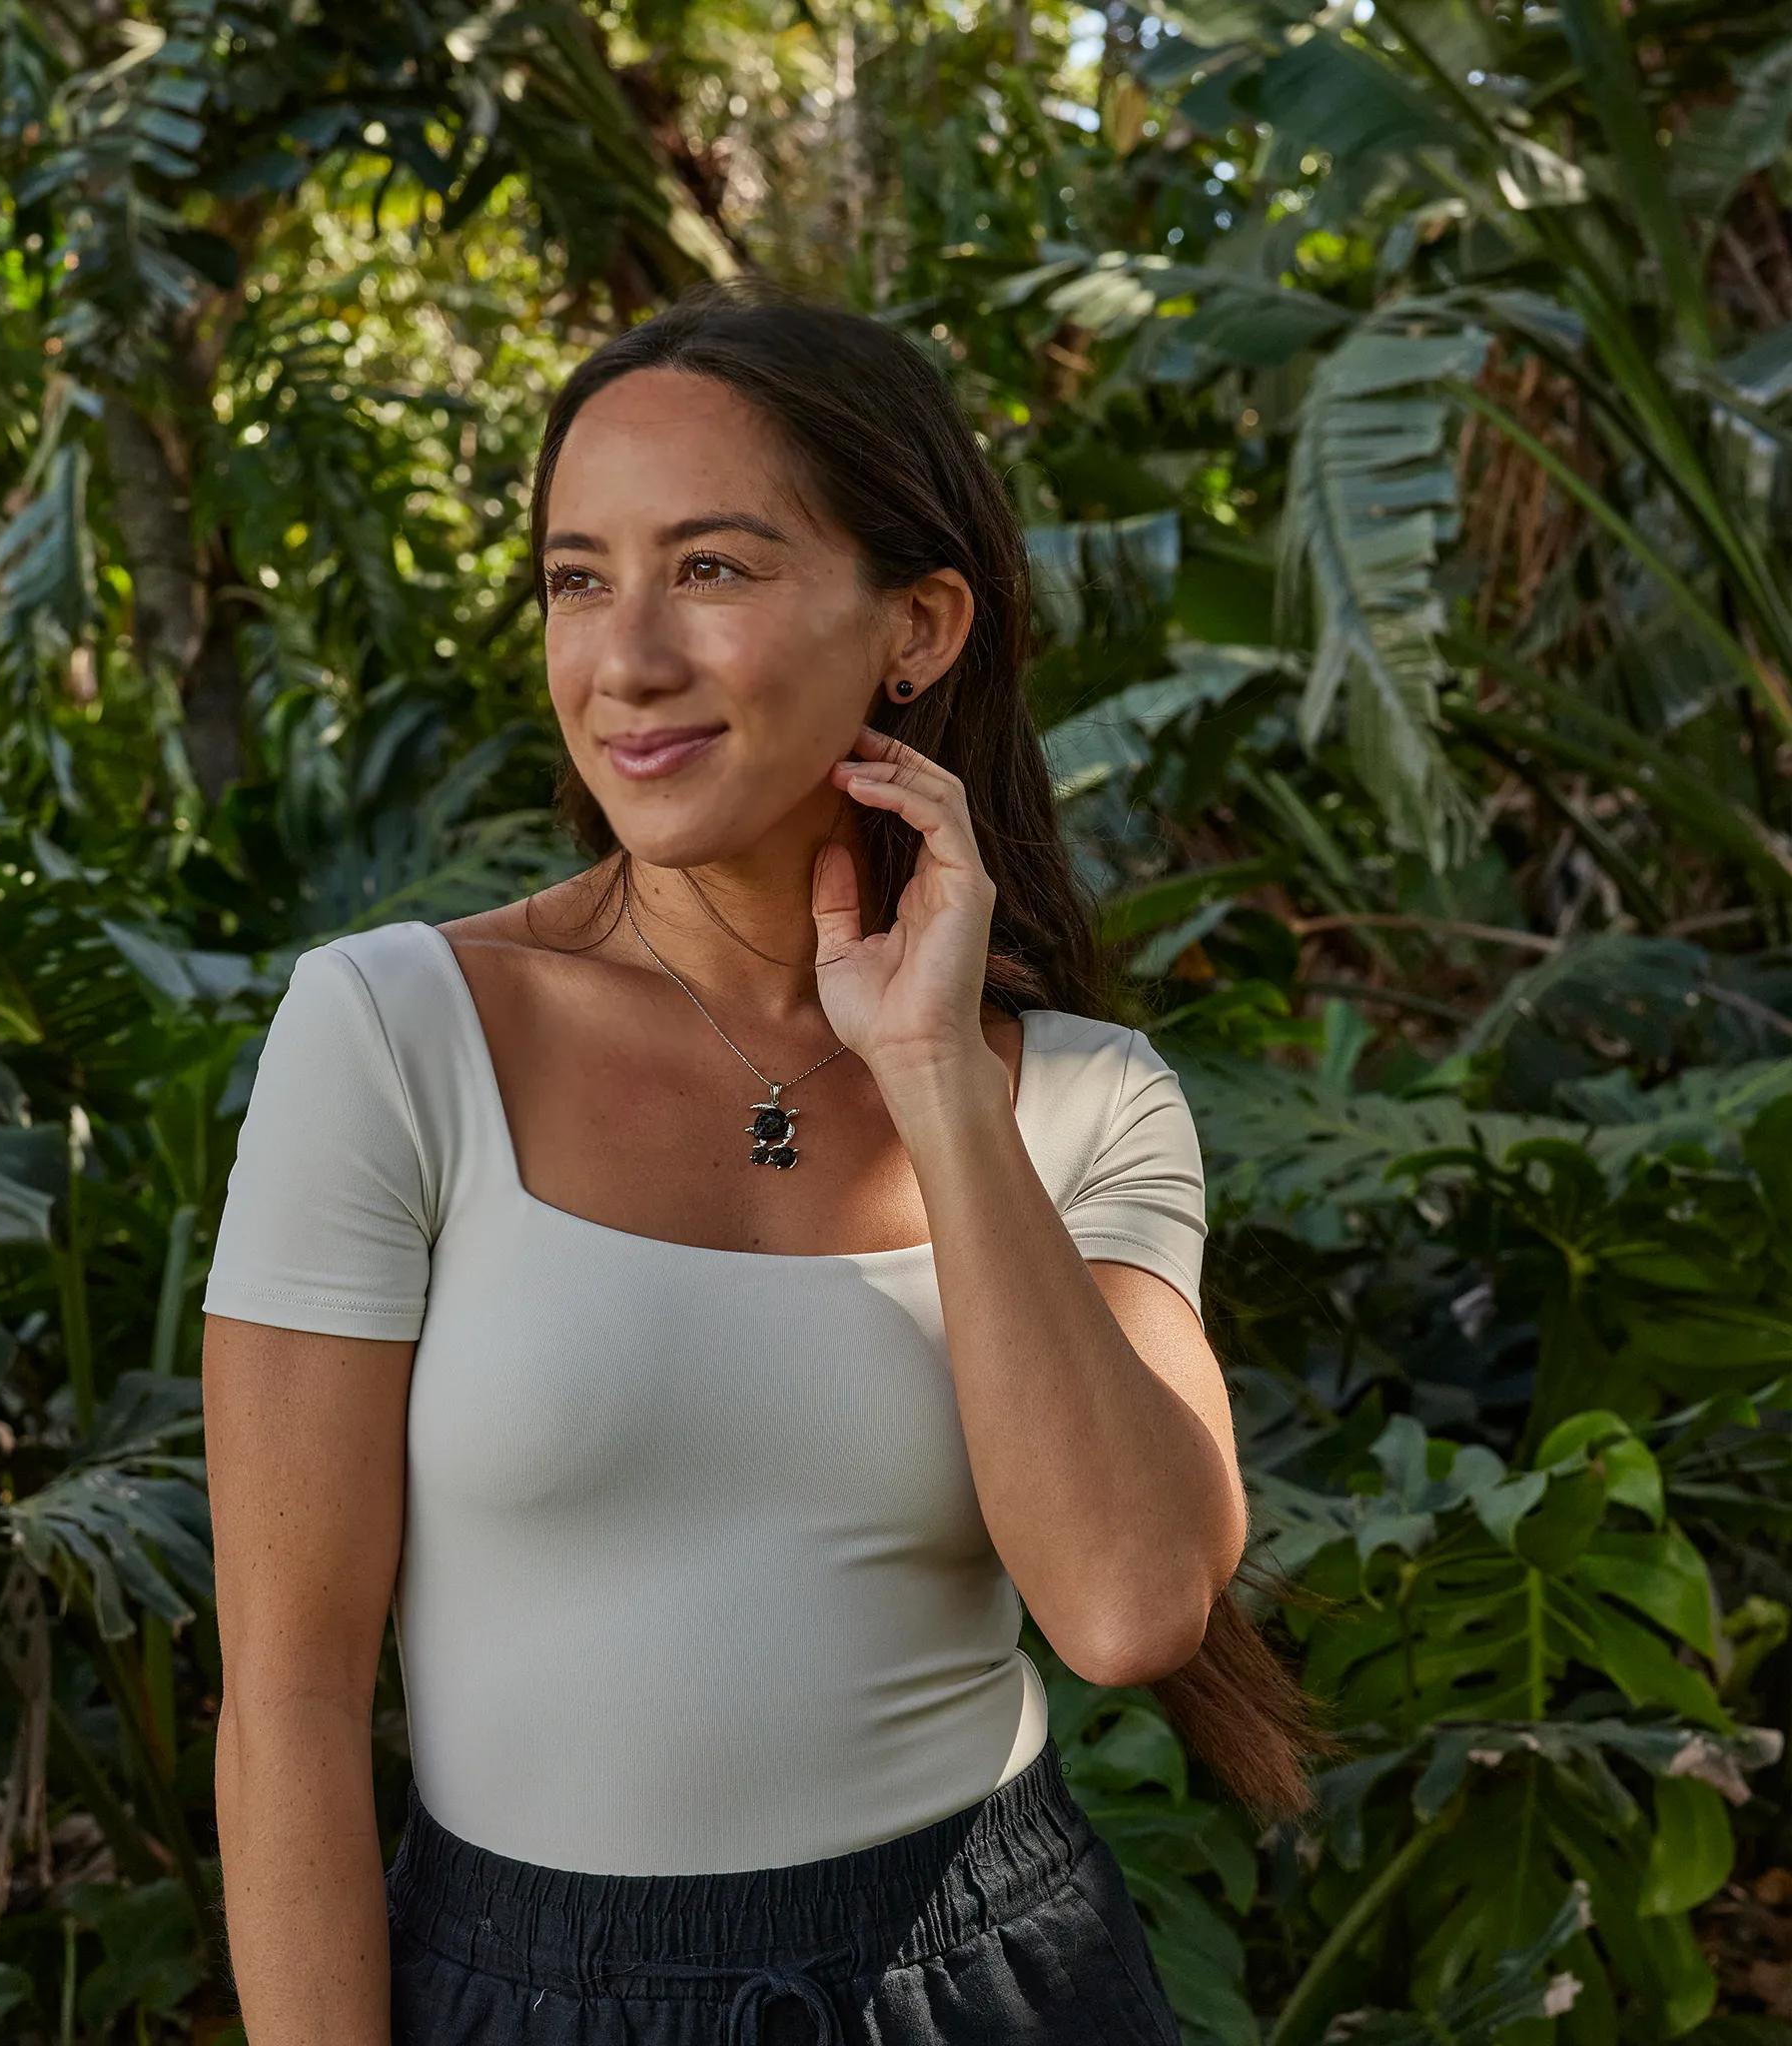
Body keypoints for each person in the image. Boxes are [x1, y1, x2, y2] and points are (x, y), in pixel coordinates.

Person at [202, 280, 1324, 2046]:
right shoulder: (396, 1035)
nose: (625, 658)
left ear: (920, 627)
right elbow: (284, 1695)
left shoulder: (1087, 1104)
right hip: (519, 1993)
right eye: (580, 579)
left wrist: (940, 1079)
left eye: (713, 569)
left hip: (997, 1982)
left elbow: (1126, 1607)